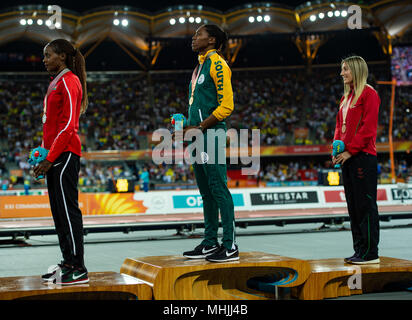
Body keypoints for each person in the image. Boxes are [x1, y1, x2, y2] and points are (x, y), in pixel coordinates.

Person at [34, 39, 89, 284]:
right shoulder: (56, 82)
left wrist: (51, 157)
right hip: (55, 155)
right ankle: (67, 262)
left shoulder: (69, 81)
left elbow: (68, 126)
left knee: (68, 212)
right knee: (58, 213)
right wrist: (43, 153)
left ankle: (79, 267)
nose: (44, 60)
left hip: (65, 154)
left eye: (48, 55)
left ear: (62, 57)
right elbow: (53, 124)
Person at [182, 24, 238, 262]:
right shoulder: (200, 66)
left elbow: (227, 106)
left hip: (211, 133)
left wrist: (201, 126)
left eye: (199, 34)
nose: (194, 38)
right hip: (197, 135)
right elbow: (200, 105)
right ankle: (209, 242)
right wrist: (187, 124)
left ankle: (230, 245)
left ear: (212, 40)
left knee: (218, 188)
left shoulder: (218, 63)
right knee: (206, 192)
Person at [332, 56, 381, 265]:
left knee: (365, 205)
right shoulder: (346, 98)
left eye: (345, 70)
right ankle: (359, 250)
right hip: (347, 157)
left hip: (363, 157)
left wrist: (350, 151)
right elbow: (338, 126)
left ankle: (370, 253)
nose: (342, 73)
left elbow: (368, 129)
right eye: (342, 69)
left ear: (356, 71)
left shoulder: (369, 94)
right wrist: (335, 146)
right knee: (353, 206)